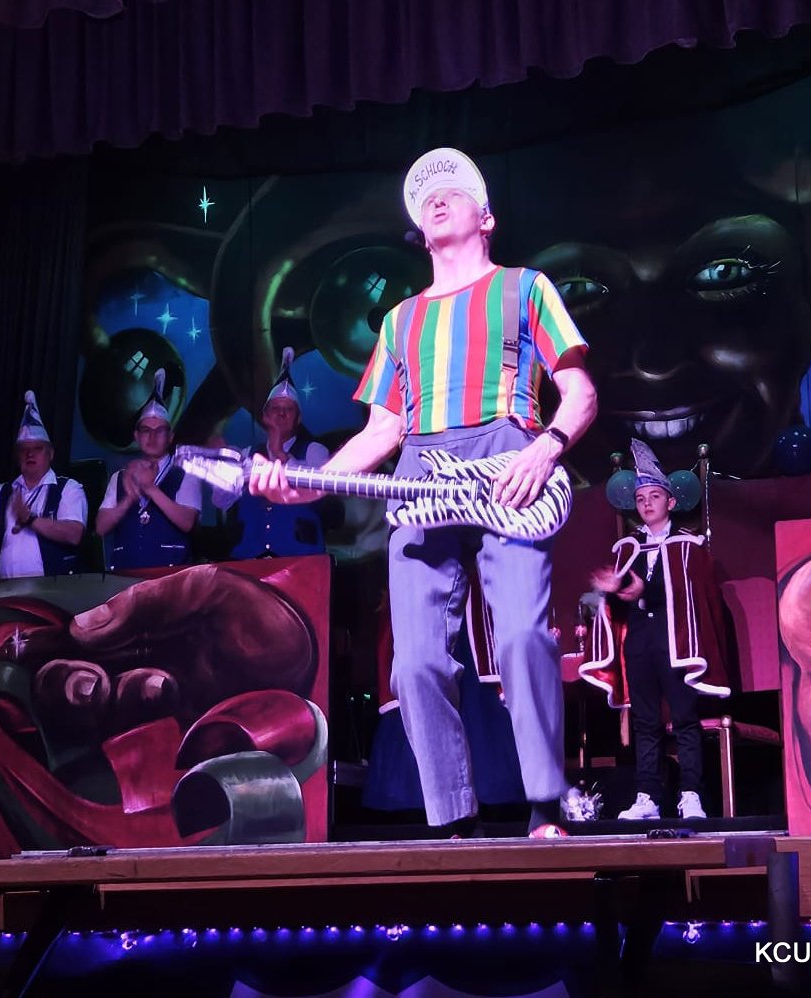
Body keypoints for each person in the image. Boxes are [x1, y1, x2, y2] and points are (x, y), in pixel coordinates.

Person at [250, 147, 598, 836]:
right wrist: (303, 488)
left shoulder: (524, 288)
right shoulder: (400, 321)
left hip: (508, 460)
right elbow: (380, 432)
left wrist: (546, 447)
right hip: (420, 471)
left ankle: (542, 803)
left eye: (453, 190)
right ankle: (453, 819)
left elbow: (580, 392)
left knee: (523, 636)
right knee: (411, 665)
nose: (437, 198)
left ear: (486, 218)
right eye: (426, 195)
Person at [590, 440, 730, 822]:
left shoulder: (689, 546)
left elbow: (694, 595)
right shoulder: (628, 548)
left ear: (671, 502)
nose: (646, 504)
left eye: (654, 496)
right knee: (645, 722)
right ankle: (647, 796)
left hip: (677, 642)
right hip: (640, 643)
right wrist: (614, 591)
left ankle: (691, 795)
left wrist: (642, 590)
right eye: (640, 498)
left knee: (684, 719)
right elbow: (620, 597)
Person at [217, 348, 332, 559]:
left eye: (288, 409)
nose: (281, 413)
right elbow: (221, 501)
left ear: (298, 418)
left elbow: (322, 493)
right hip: (249, 560)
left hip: (300, 560)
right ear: (264, 416)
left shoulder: (314, 451)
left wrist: (281, 454)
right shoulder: (246, 455)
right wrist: (221, 468)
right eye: (275, 408)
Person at [96, 369, 204, 571]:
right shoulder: (120, 477)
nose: (152, 437)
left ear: (170, 437)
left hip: (170, 576)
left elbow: (188, 522)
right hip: (125, 576)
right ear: (136, 436)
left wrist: (151, 489)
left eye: (159, 431)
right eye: (146, 430)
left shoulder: (186, 473)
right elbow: (101, 527)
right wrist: (128, 499)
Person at [0, 390, 87, 578]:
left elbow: (74, 534)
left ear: (50, 453)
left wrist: (30, 520)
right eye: (24, 449)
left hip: (52, 588)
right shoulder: (2, 492)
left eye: (37, 448)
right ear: (17, 456)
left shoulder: (69, 488)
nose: (30, 454)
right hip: (6, 586)